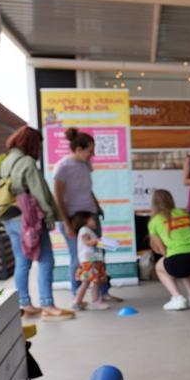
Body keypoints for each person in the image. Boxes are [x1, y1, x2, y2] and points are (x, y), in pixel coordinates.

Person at [0, 127, 74, 320]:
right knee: (46, 260)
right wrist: (49, 216)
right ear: (32, 143)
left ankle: (24, 304)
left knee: (22, 261)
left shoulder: (6, 162)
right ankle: (47, 304)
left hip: (10, 217)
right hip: (29, 219)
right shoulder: (27, 163)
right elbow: (39, 192)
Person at [53, 128, 120, 303]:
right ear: (78, 149)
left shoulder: (85, 164)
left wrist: (97, 206)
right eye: (90, 150)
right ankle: (78, 296)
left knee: (98, 253)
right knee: (79, 256)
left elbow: (87, 190)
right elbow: (58, 199)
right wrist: (67, 224)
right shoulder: (62, 167)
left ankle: (102, 293)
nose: (93, 154)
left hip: (90, 214)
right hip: (73, 218)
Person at [147, 189, 190, 311]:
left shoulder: (154, 221)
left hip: (180, 259)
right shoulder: (184, 213)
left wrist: (168, 254)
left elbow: (162, 250)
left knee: (160, 268)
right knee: (183, 266)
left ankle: (177, 297)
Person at [70, 210, 109, 311]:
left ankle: (77, 301)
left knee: (87, 281)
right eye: (93, 219)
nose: (95, 221)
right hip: (90, 260)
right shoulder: (84, 230)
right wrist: (96, 241)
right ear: (85, 221)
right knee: (95, 281)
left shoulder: (88, 230)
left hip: (92, 259)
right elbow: (86, 242)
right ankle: (95, 301)